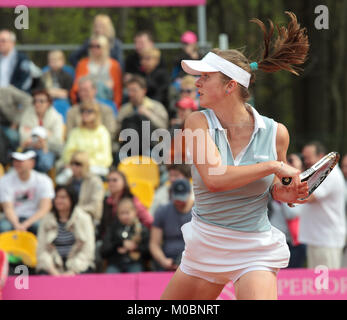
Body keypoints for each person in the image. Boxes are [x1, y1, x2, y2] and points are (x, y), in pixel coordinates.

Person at [161, 12, 310, 300]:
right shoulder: (196, 122)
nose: (197, 83)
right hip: (205, 243)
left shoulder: (277, 132)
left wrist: (287, 193)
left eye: (205, 77)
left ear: (230, 86)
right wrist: (273, 166)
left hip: (254, 247)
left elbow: (276, 190)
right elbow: (215, 179)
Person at [299, 142, 346, 269]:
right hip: (319, 239)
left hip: (327, 240)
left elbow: (307, 197)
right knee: (316, 285)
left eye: (308, 157)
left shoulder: (329, 173)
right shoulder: (319, 174)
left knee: (327, 285)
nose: (306, 161)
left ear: (321, 156)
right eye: (304, 158)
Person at [36, 185, 95, 276]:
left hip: (78, 265)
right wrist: (53, 271)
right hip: (52, 267)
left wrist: (73, 271)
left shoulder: (84, 218)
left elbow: (88, 250)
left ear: (72, 199)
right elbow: (42, 250)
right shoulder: (46, 220)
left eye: (63, 197)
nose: (59, 201)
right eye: (56, 197)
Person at [0, 150, 54, 235]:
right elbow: (7, 208)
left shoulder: (44, 180)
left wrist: (26, 224)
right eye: (15, 160)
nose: (17, 163)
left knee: (41, 226)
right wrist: (17, 225)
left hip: (35, 218)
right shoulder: (5, 180)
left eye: (21, 161)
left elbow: (44, 208)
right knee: (3, 227)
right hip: (13, 218)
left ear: (32, 163)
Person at [114, 75, 168, 160]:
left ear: (144, 91)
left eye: (134, 90)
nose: (131, 94)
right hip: (128, 148)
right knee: (120, 156)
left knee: (150, 155)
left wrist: (148, 114)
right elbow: (116, 131)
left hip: (151, 147)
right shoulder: (124, 110)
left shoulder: (156, 107)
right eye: (129, 90)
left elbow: (164, 128)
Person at [269, 153, 307, 268]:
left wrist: (283, 196)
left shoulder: (302, 186)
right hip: (274, 239)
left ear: (301, 168)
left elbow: (292, 214)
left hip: (293, 242)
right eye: (286, 162)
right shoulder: (275, 183)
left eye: (291, 161)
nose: (287, 165)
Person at [98, 168, 153, 241]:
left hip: (127, 240)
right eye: (108, 180)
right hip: (109, 242)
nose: (111, 183)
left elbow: (148, 221)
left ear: (124, 182)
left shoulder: (132, 200)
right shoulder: (106, 200)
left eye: (115, 180)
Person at [150, 179, 193, 271]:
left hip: (192, 260)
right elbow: (154, 244)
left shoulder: (197, 212)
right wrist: (163, 260)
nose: (179, 202)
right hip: (167, 259)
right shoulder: (162, 211)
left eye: (182, 198)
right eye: (177, 198)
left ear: (189, 193)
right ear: (170, 194)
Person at [70, 35, 123, 110]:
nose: (94, 49)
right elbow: (76, 87)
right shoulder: (82, 64)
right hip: (86, 102)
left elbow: (118, 90)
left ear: (105, 47)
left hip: (107, 103)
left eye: (98, 46)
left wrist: (116, 107)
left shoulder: (114, 65)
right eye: (91, 46)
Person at [61, 101, 113, 178]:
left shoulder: (102, 132)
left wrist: (85, 162)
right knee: (62, 178)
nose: (85, 113)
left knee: (89, 173)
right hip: (76, 166)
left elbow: (106, 158)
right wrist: (77, 163)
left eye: (89, 111)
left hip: (96, 167)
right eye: (83, 111)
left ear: (96, 114)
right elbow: (67, 153)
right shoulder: (75, 131)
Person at [100, 197, 149, 273]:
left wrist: (135, 247)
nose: (125, 216)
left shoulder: (142, 229)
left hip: (135, 264)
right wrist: (120, 244)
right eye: (122, 213)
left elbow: (148, 252)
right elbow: (104, 251)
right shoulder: (112, 228)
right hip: (115, 264)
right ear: (117, 214)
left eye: (127, 213)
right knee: (110, 276)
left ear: (135, 212)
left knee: (136, 274)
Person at [66, 76, 116, 140]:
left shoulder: (106, 110)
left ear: (95, 90)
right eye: (80, 91)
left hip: (101, 145)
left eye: (86, 90)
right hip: (79, 147)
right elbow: (69, 135)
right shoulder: (72, 112)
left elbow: (111, 132)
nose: (83, 94)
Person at [61, 151, 105, 224]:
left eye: (78, 164)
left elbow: (95, 206)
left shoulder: (95, 181)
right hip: (70, 217)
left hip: (89, 218)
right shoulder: (69, 181)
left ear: (85, 165)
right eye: (72, 163)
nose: (74, 167)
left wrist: (77, 211)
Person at [19, 89, 64, 159]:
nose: (37, 104)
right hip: (30, 147)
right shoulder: (27, 114)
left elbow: (57, 140)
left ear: (48, 103)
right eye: (35, 101)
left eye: (41, 101)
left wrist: (43, 142)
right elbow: (23, 134)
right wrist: (46, 134)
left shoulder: (57, 117)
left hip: (49, 149)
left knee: (44, 163)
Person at [41, 50, 74, 122]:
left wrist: (52, 92)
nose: (54, 63)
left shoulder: (67, 76)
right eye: (52, 60)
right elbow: (42, 90)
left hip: (62, 100)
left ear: (62, 62)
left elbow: (67, 93)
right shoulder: (45, 75)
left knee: (61, 105)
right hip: (47, 99)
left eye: (56, 60)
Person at [0, 85, 32, 153]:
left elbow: (28, 100)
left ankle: (15, 157)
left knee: (13, 137)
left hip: (9, 125)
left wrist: (16, 121)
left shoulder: (7, 90)